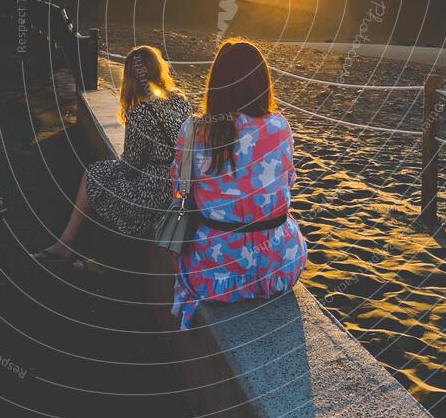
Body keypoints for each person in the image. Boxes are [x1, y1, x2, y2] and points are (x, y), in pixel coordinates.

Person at [170, 38, 307, 328]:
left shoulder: (194, 131)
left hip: (215, 275)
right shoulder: (279, 126)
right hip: (280, 267)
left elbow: (179, 190)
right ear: (261, 82)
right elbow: (289, 181)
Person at [32, 45, 191, 272]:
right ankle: (88, 254)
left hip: (152, 194)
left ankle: (70, 247)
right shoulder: (181, 103)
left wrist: (114, 167)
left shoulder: (140, 113)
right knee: (102, 177)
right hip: (174, 188)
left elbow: (130, 167)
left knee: (96, 178)